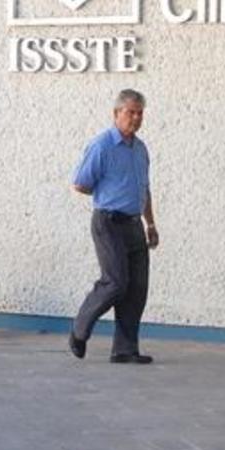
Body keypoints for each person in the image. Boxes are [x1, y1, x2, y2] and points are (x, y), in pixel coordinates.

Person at [68, 89, 159, 364]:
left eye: (140, 113)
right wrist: (108, 195)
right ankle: (79, 329)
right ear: (116, 113)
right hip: (108, 222)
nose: (136, 118)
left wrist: (150, 223)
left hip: (134, 224)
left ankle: (124, 349)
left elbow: (145, 189)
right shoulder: (102, 146)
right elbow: (80, 183)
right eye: (131, 112)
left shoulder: (140, 149)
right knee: (116, 282)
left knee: (137, 289)